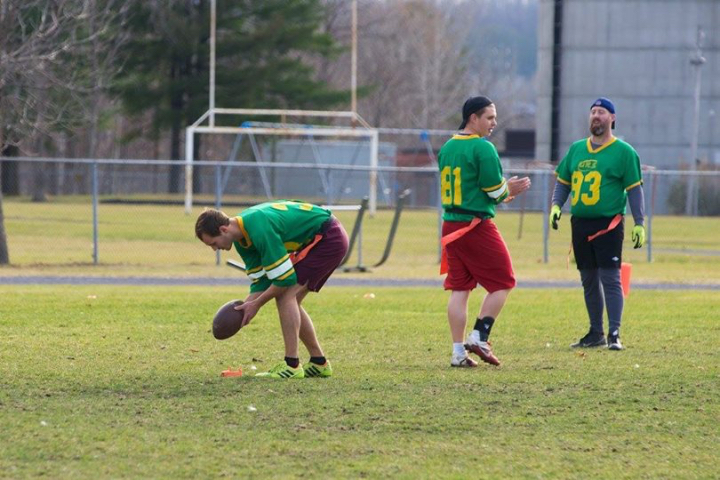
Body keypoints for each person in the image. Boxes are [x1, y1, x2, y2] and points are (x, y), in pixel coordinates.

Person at [195, 200, 349, 378]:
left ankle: (291, 365)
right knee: (291, 299)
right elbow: (262, 280)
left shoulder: (258, 228)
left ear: (223, 229)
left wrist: (256, 304)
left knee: (286, 296)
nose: (215, 249)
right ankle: (318, 362)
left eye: (213, 243)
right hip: (322, 237)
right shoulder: (242, 239)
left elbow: (284, 280)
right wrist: (244, 308)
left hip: (329, 237)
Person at [438, 96, 531, 368]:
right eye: (489, 117)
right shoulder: (482, 147)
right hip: (474, 225)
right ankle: (480, 336)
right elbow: (494, 190)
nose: (494, 123)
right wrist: (508, 190)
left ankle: (458, 353)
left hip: (451, 223)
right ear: (473, 118)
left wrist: (500, 193)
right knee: (504, 281)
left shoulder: (447, 147)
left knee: (460, 288)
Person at [549, 97, 645, 351]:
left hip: (608, 223)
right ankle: (595, 333)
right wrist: (556, 205)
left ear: (612, 118)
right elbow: (563, 182)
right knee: (588, 279)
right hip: (580, 223)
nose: (596, 116)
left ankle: (614, 333)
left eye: (602, 112)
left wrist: (639, 223)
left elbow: (634, 190)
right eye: (593, 112)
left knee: (610, 278)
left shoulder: (624, 152)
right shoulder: (576, 149)